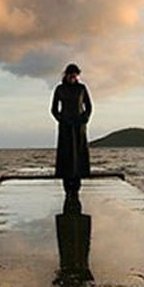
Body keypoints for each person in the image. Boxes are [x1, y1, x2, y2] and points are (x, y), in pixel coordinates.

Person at [50, 63, 92, 194]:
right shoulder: (60, 89)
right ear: (66, 75)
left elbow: (89, 106)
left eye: (75, 76)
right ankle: (66, 181)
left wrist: (85, 118)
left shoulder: (82, 88)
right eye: (71, 76)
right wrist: (61, 119)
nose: (73, 78)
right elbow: (54, 109)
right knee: (66, 153)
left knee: (79, 152)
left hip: (79, 125)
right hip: (65, 125)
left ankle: (78, 180)